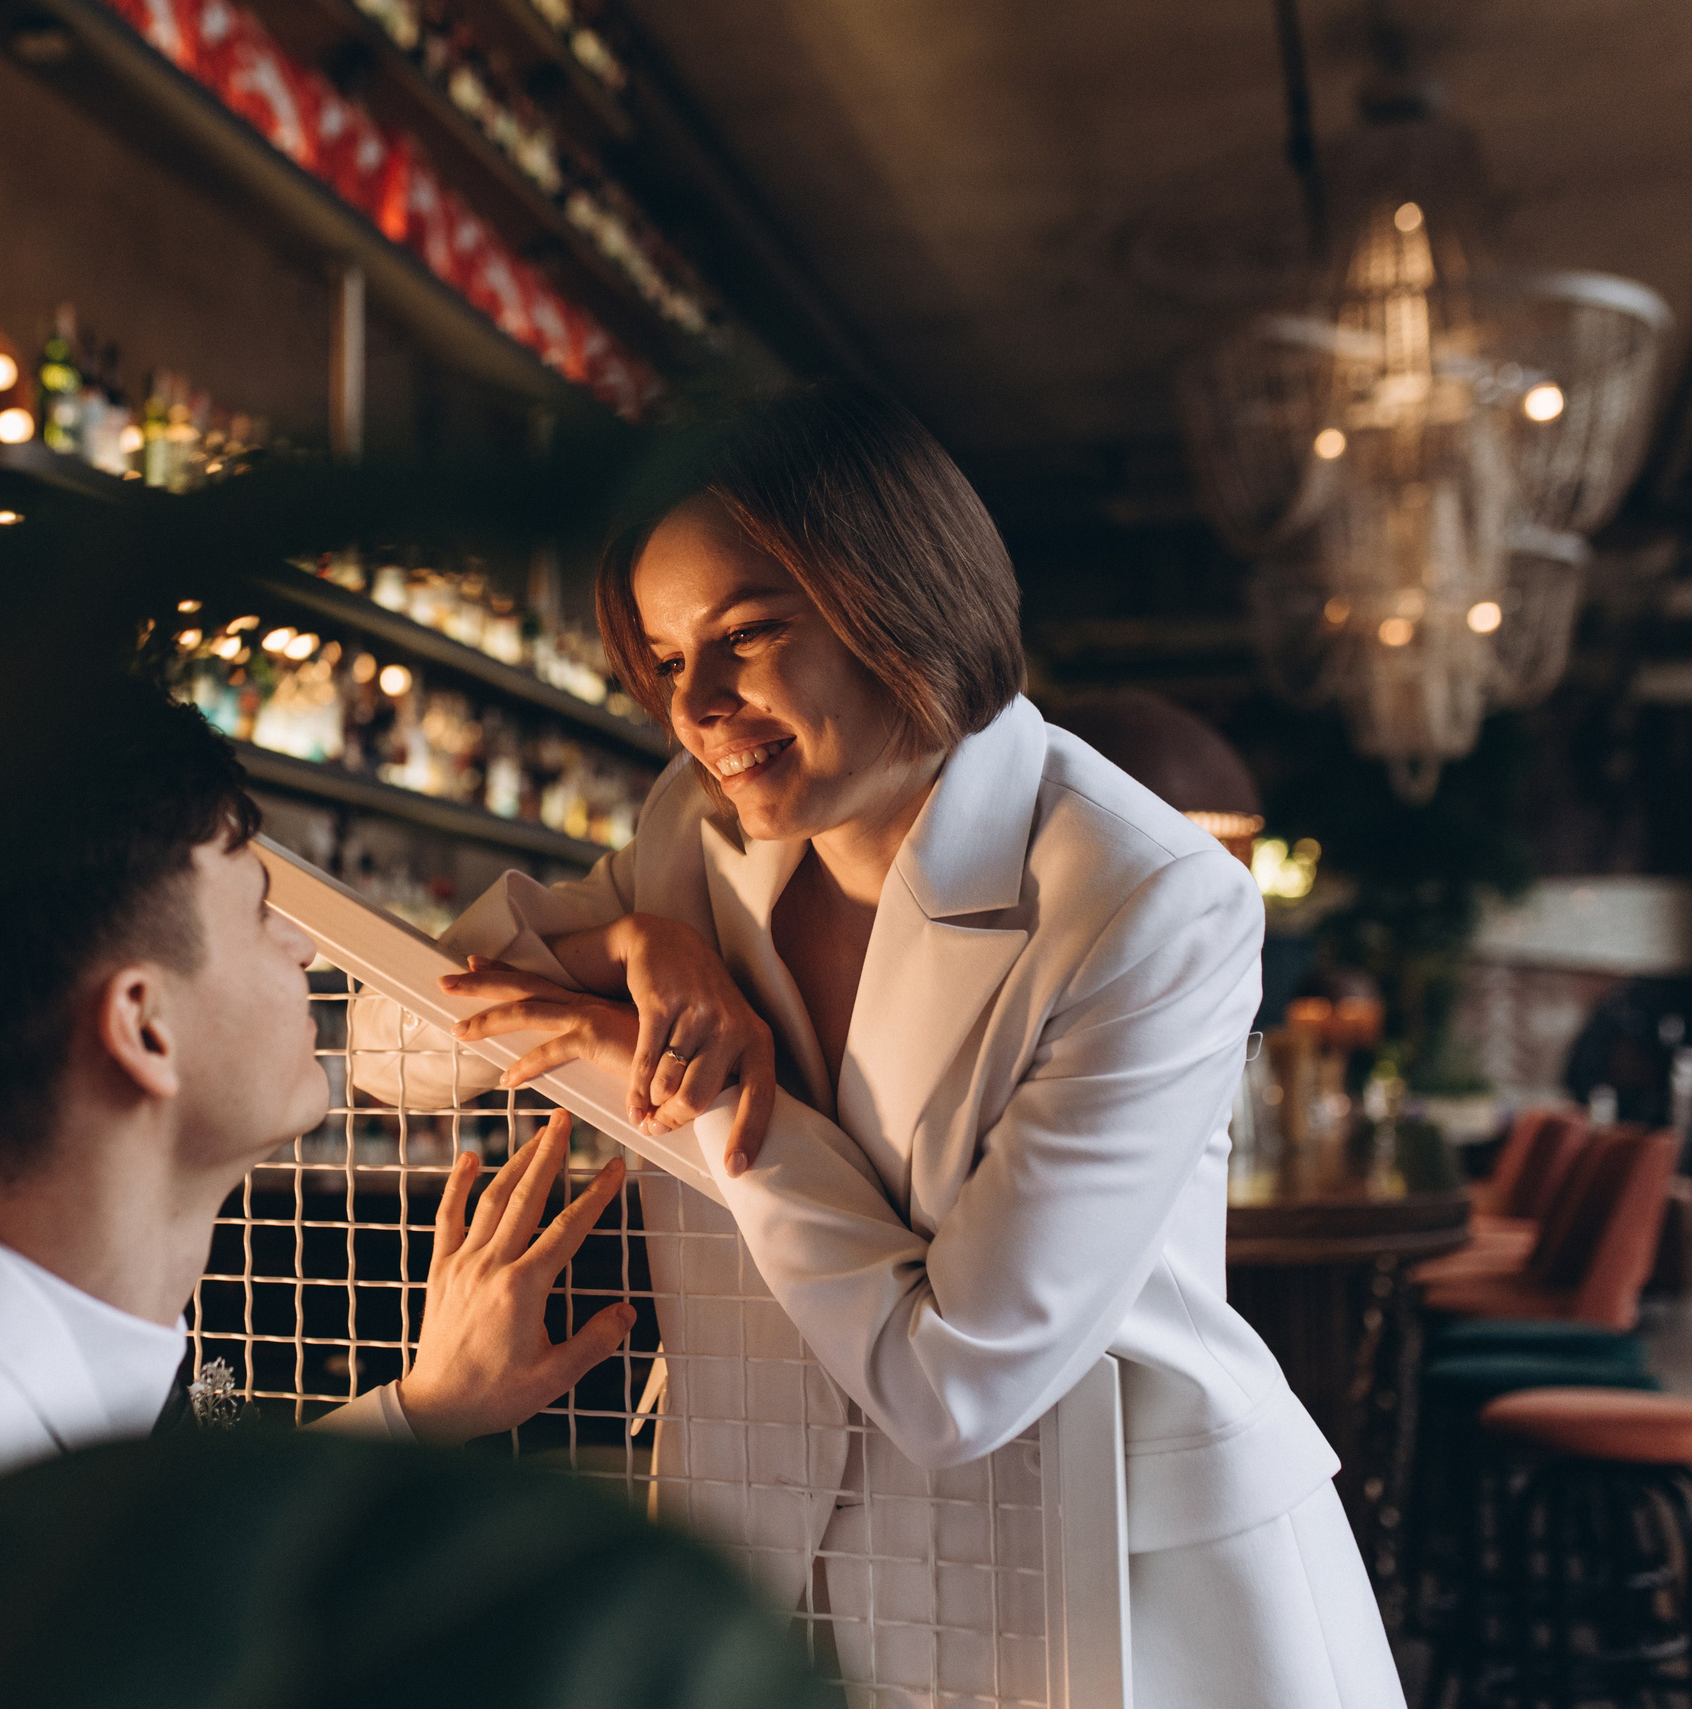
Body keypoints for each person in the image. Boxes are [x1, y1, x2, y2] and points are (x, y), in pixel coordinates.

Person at [367, 385, 1402, 1706]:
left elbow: (957, 1383)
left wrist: (712, 1097)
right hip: (765, 1542)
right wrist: (633, 944)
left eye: (748, 632)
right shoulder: (697, 829)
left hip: (1106, 1574)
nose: (697, 704)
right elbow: (393, 1054)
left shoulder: (1146, 900)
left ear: (898, 600)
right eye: (668, 658)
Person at [0, 667, 637, 1512]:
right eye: (258, 912)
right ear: (144, 1028)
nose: (303, 949)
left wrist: (423, 1409)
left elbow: (162, 1534)